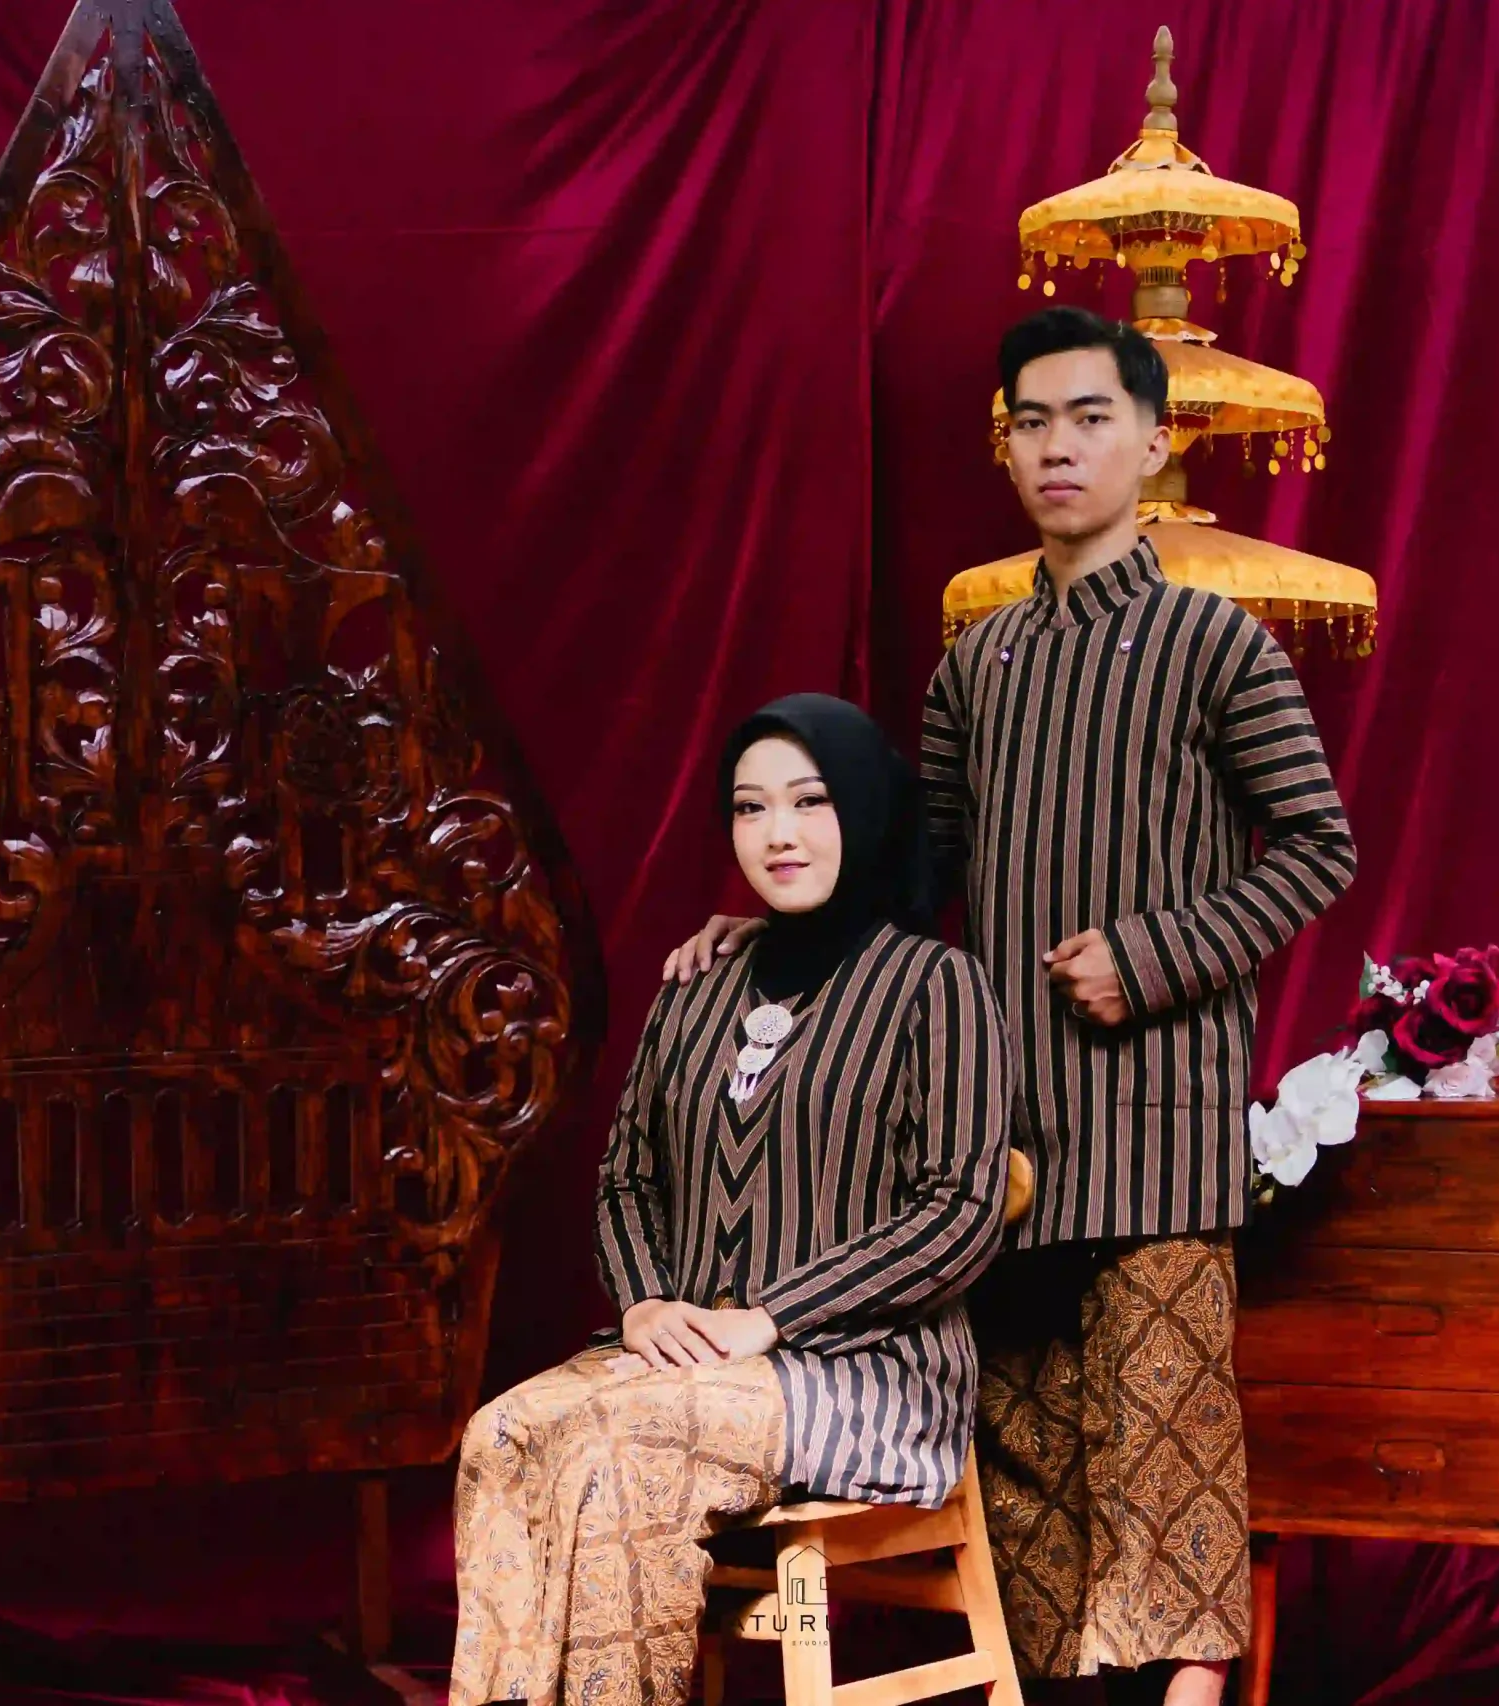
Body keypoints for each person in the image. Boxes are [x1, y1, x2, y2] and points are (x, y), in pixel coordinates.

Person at [664, 307, 1358, 1704]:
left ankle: (1194, 1692)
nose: (1058, 446)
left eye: (1091, 417)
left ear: (1152, 441)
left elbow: (1317, 847)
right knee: (1031, 1449)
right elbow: (914, 876)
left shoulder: (1217, 644)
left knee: (1166, 1434)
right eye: (1031, 421)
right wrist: (771, 922)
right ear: (1006, 446)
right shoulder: (976, 664)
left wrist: (1151, 956)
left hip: (1156, 1123)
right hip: (1003, 1133)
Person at [451, 694, 1015, 1706]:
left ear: (865, 807)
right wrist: (643, 1304)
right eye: (752, 808)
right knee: (503, 1433)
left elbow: (960, 1209)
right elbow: (628, 1173)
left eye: (810, 800)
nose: (778, 833)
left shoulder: (939, 987)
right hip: (692, 1361)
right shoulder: (698, 984)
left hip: (868, 1375)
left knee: (621, 1451)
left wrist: (771, 1318)